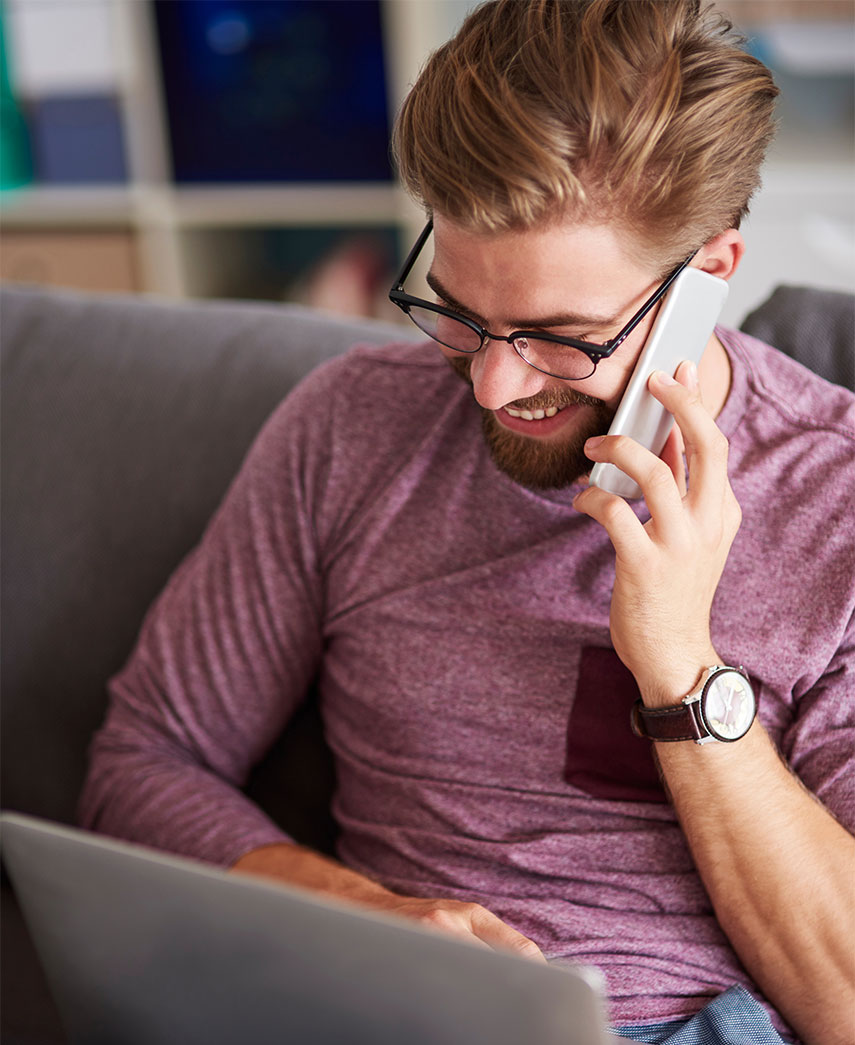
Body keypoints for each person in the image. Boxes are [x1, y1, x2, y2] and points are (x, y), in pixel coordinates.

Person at [79, 2, 855, 1042]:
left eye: (558, 336)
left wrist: (681, 668)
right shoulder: (350, 427)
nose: (492, 386)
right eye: (458, 309)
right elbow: (144, 760)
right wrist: (365, 914)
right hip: (375, 1008)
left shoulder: (833, 500)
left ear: (706, 277)